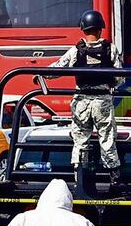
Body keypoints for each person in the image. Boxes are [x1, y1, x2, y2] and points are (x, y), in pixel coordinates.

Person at [51, 10, 123, 188]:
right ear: (100, 30)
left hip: (81, 101)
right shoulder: (110, 49)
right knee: (107, 138)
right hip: (103, 101)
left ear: (83, 30)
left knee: (80, 138)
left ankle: (80, 178)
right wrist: (110, 83)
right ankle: (114, 178)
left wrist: (40, 76)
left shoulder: (76, 50)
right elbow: (120, 77)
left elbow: (58, 68)